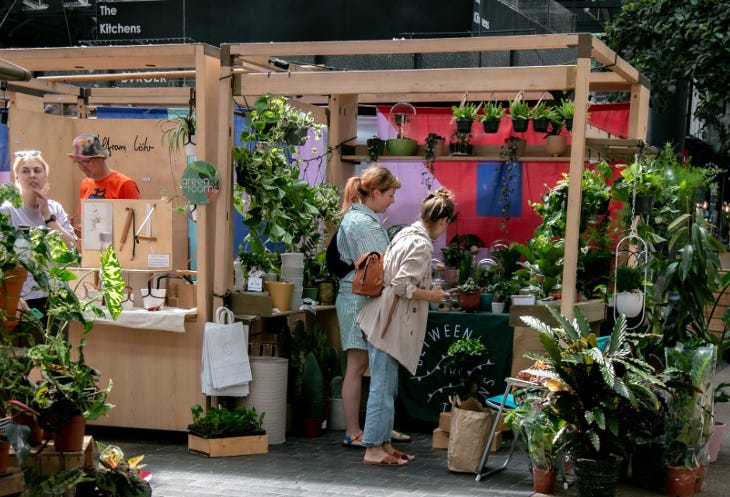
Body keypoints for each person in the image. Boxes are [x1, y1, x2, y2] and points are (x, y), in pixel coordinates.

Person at [357, 188, 455, 466]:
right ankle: (373, 449)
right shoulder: (422, 244)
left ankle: (384, 444)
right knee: (382, 387)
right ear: (444, 220)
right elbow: (401, 285)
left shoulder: (405, 233)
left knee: (387, 386)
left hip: (380, 316)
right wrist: (432, 295)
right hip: (388, 321)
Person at [335, 164, 409, 449]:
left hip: (360, 298)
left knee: (370, 364)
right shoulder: (362, 223)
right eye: (390, 194)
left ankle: (377, 429)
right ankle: (353, 431)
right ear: (376, 192)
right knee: (358, 365)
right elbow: (380, 265)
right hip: (359, 300)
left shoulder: (358, 218)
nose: (392, 200)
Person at [0, 150, 77, 328]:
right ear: (17, 178)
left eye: (37, 170)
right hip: (22, 301)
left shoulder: (55, 208)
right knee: (27, 354)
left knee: (57, 353)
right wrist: (13, 299)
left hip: (56, 299)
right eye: (25, 171)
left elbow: (72, 249)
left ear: (45, 176)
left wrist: (49, 218)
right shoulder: (7, 212)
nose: (32, 175)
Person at [69, 133, 141, 200]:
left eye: (85, 162)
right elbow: (84, 213)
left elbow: (136, 213)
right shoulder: (85, 184)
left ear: (99, 157)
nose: (82, 168)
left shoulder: (125, 185)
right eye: (78, 162)